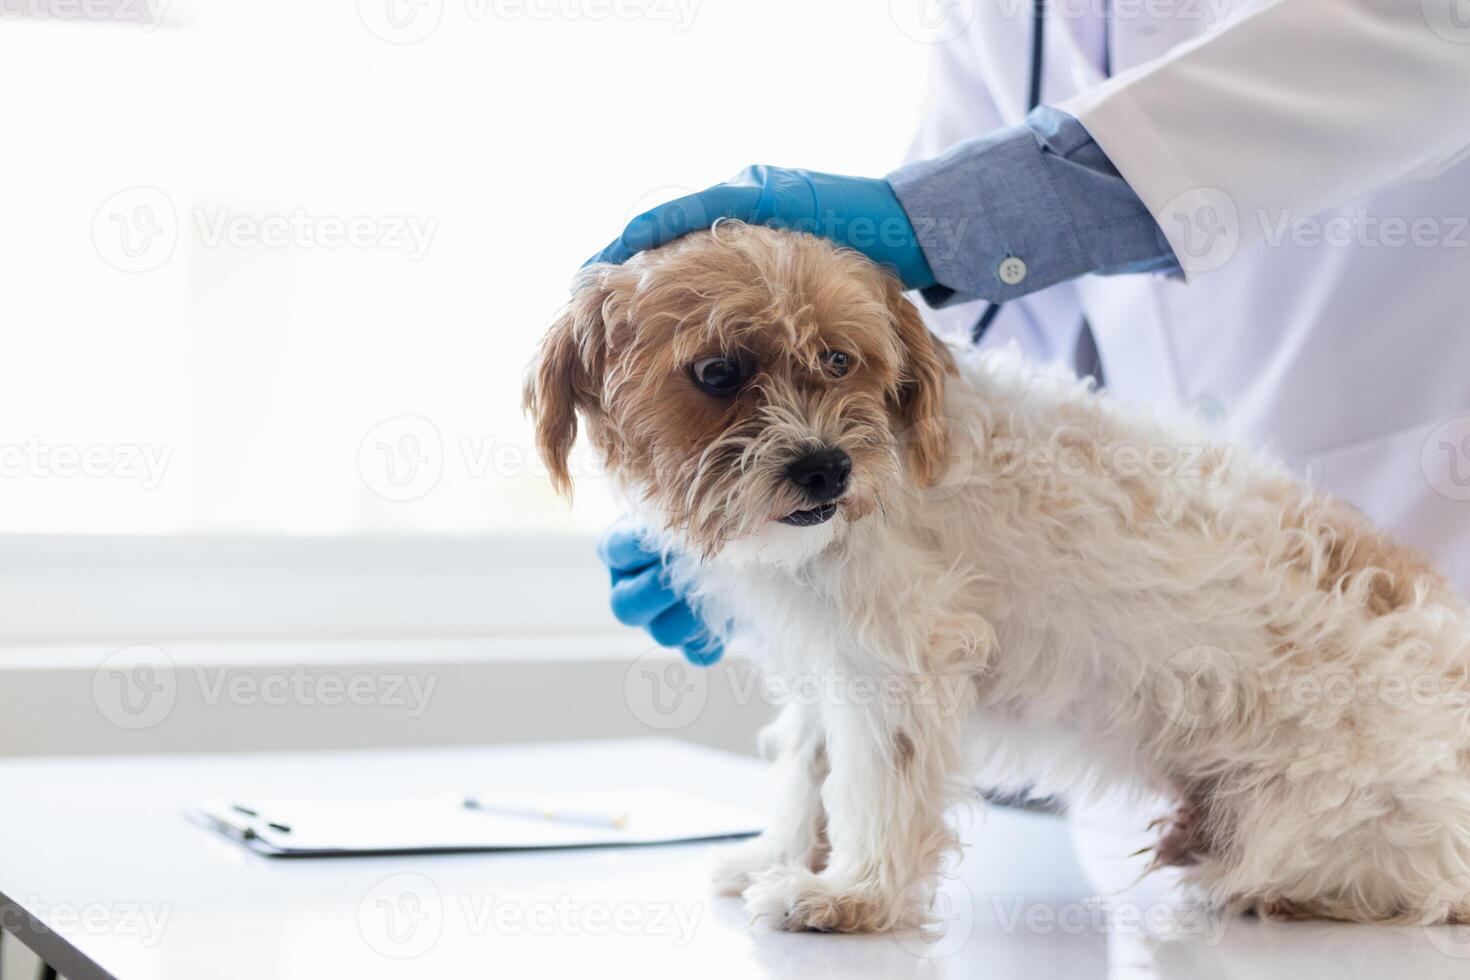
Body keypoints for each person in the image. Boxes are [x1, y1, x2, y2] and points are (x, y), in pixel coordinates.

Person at [597, 0, 1470, 664]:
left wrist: (944, 216)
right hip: (1157, 666)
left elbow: (1428, 35)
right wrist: (783, 526)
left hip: (1427, 545)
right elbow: (975, 326)